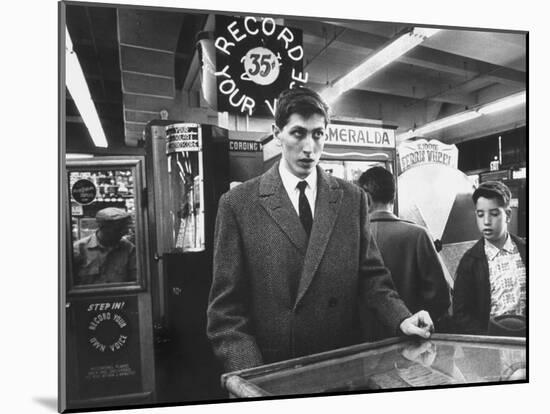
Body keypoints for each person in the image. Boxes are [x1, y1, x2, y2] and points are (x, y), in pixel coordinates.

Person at [206, 87, 435, 373]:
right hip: (276, 372)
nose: (309, 147)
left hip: (342, 367)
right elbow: (226, 314)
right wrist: (252, 377)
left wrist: (402, 318)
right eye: (298, 133)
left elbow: (372, 277)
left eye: (318, 134)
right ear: (277, 133)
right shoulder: (239, 205)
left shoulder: (352, 199)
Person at [358, 167, 450, 340]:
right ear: (394, 196)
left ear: (366, 198)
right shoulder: (418, 235)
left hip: (362, 347)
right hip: (411, 342)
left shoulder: (351, 237)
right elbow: (441, 298)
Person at [452, 181, 526, 335]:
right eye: (480, 214)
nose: (486, 221)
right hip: (490, 344)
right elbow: (461, 314)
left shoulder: (525, 250)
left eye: (493, 214)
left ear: (508, 215)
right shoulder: (470, 261)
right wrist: (485, 338)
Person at [73, 207, 137, 285]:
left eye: (125, 229)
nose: (123, 233)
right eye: (118, 229)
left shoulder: (129, 248)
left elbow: (134, 280)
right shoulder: (78, 249)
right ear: (102, 227)